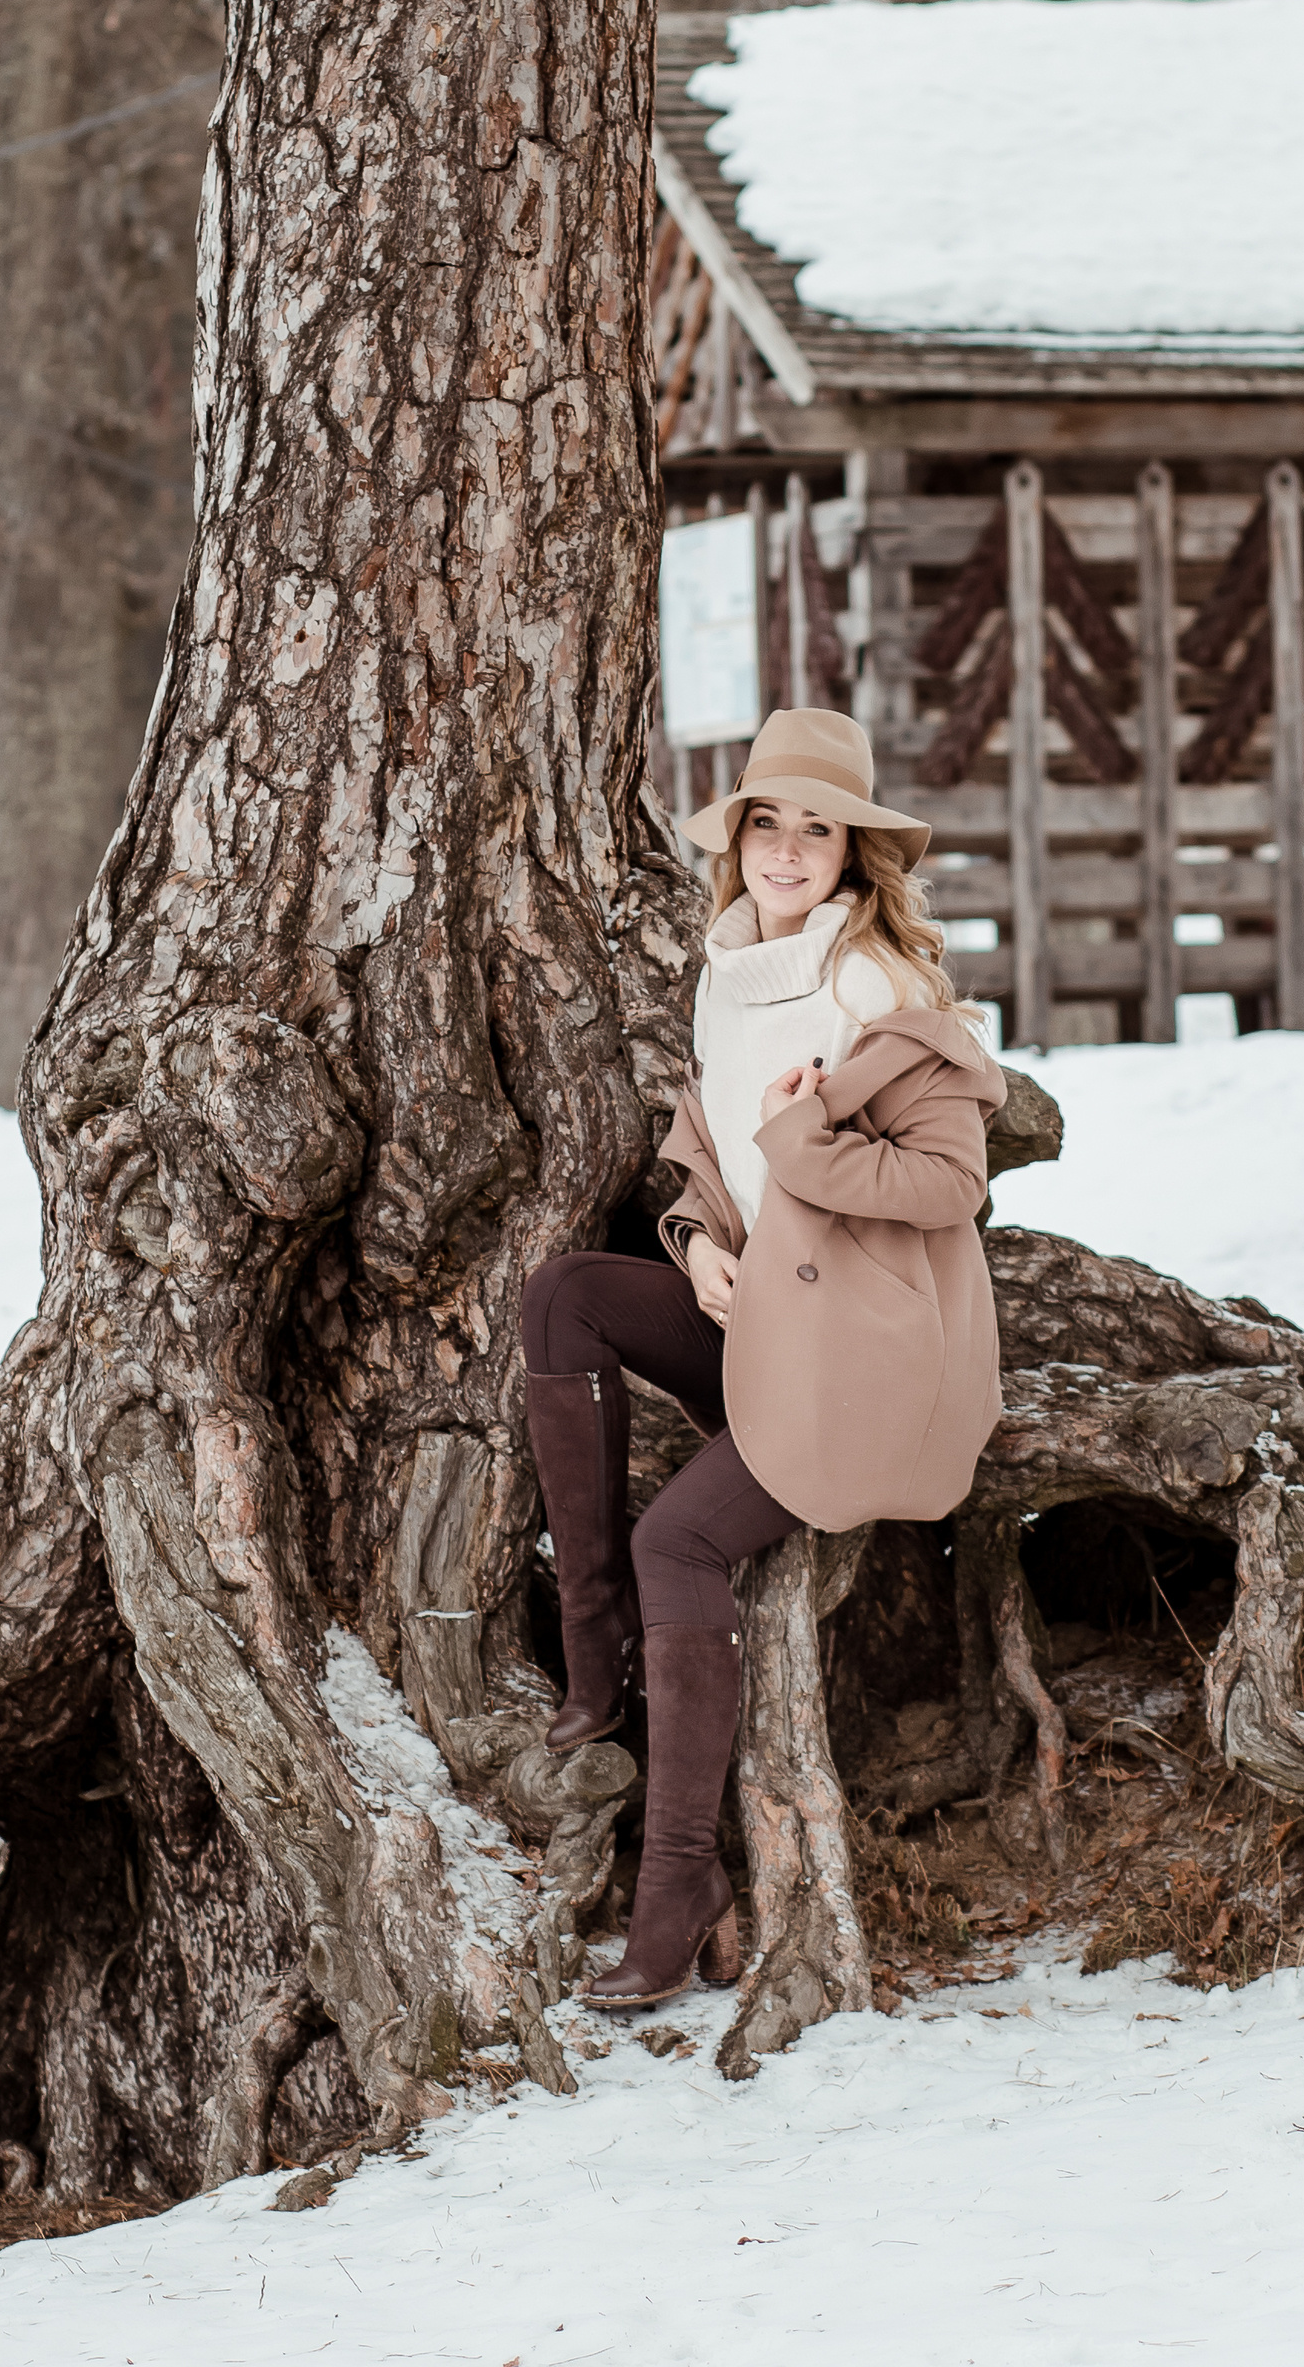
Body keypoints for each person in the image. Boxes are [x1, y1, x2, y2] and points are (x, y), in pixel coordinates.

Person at [521, 703, 1006, 2014]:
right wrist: (696, 1249)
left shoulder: (879, 991)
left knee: (679, 1542)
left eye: (819, 828)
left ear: (856, 850)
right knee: (566, 1299)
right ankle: (591, 1653)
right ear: (737, 839)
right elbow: (725, 1158)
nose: (789, 848)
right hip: (767, 1321)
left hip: (866, 1360)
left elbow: (950, 1180)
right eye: (767, 823)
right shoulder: (733, 969)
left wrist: (799, 1152)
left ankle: (677, 1887)